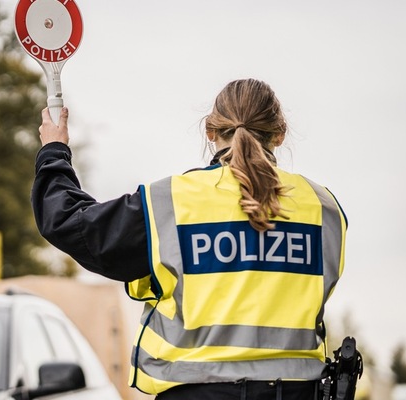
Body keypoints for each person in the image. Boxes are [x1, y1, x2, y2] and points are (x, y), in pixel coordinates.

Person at [31, 78, 346, 400]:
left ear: (210, 131)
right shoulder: (324, 208)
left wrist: (54, 150)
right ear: (279, 134)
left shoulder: (170, 203)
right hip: (296, 393)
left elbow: (69, 222)